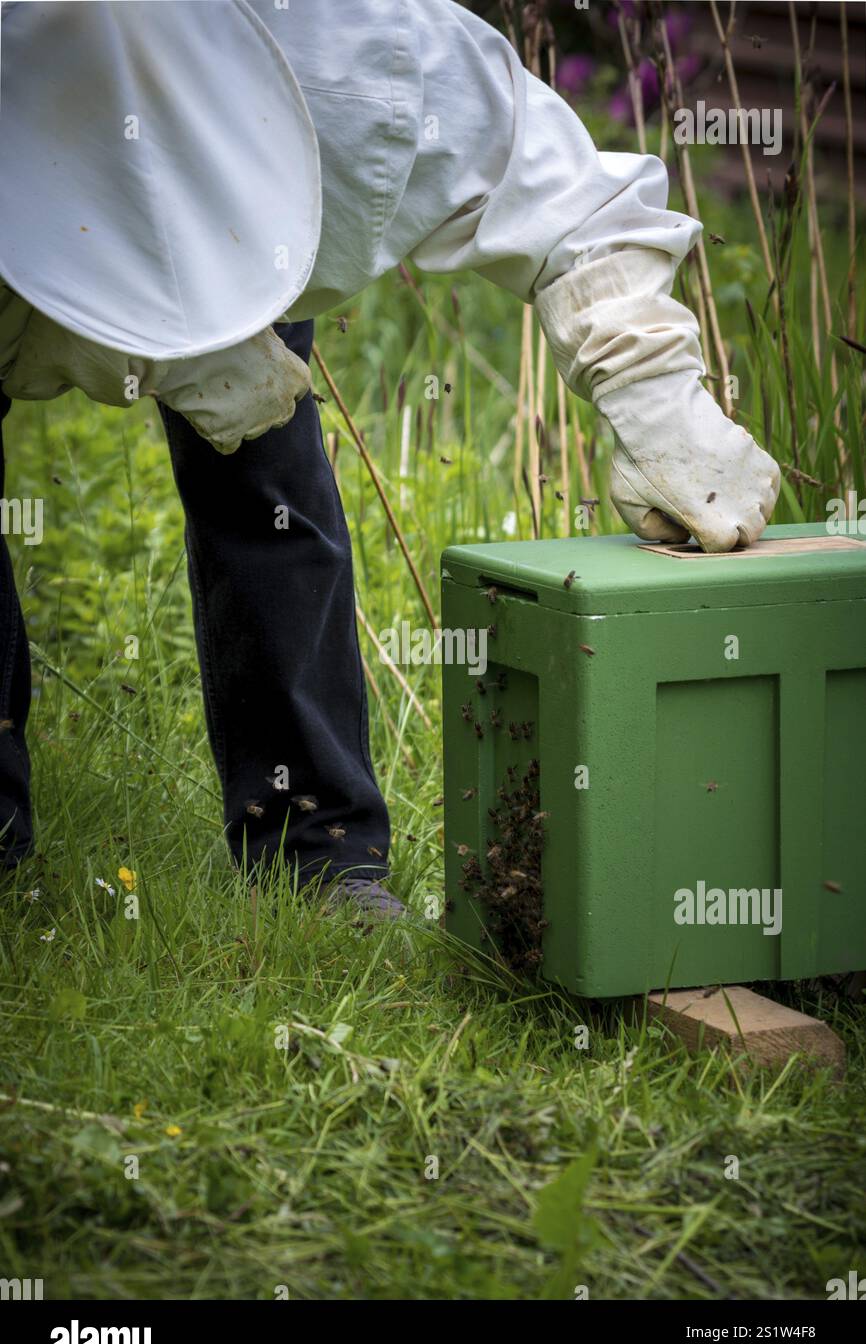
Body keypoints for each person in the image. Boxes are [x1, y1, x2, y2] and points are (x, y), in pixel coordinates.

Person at [0, 0, 780, 915]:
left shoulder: (346, 53)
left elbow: (557, 181)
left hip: (242, 163)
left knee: (268, 475)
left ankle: (317, 852)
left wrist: (658, 397)